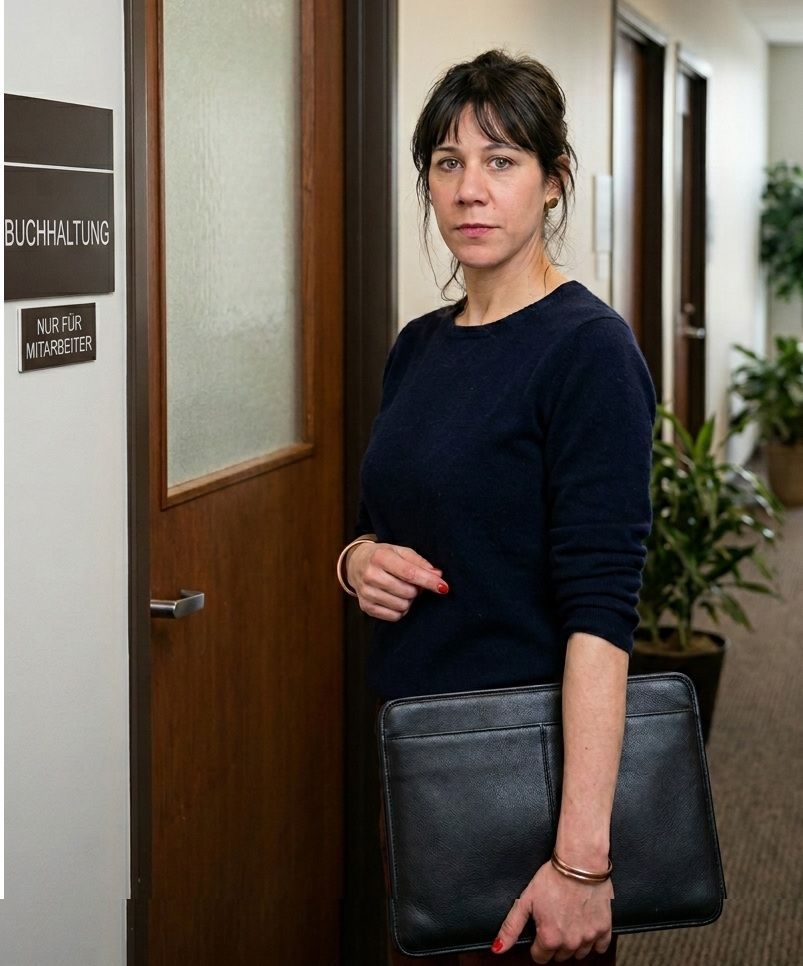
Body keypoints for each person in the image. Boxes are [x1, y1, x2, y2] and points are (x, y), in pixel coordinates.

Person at [336, 50, 656, 965]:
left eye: (501, 160)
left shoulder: (588, 351)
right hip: (419, 754)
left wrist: (581, 860)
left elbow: (601, 613)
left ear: (553, 182)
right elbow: (380, 521)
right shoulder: (418, 346)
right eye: (448, 162)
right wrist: (356, 563)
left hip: (530, 775)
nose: (469, 190)